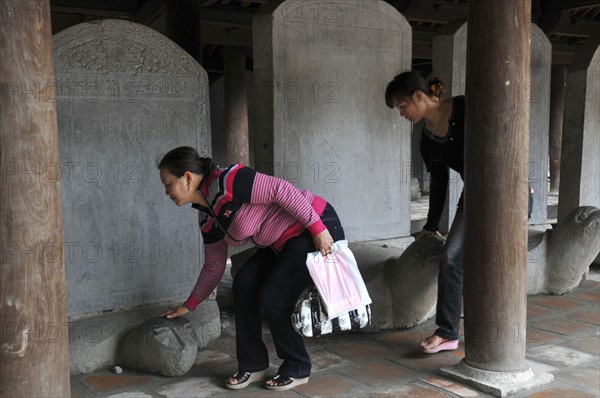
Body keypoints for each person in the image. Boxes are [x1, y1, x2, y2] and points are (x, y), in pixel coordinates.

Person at [157, 146, 344, 391]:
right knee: (244, 284)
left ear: (188, 178)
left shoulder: (230, 181)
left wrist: (318, 229)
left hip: (312, 226)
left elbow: (281, 190)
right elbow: (214, 266)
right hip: (280, 243)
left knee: (273, 296)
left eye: (168, 183)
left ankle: (297, 366)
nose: (166, 191)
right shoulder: (207, 217)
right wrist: (189, 304)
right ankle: (253, 364)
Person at [385, 71, 464, 354]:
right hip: (475, 195)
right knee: (452, 255)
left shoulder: (465, 109)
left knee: (466, 257)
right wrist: (431, 225)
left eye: (402, 106)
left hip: (505, 192)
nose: (402, 113)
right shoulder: (427, 138)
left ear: (419, 96)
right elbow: (440, 181)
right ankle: (448, 333)